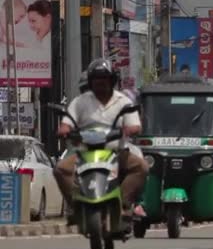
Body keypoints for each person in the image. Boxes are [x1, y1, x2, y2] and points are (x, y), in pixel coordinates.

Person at [53, 59, 149, 229]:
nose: (100, 83)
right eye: (97, 80)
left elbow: (135, 125)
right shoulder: (80, 101)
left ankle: (123, 204)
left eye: (104, 79)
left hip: (117, 152)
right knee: (60, 169)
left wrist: (127, 130)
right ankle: (75, 206)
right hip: (84, 153)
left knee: (141, 167)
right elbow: (67, 123)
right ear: (91, 82)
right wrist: (65, 130)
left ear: (112, 80)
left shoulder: (123, 101)